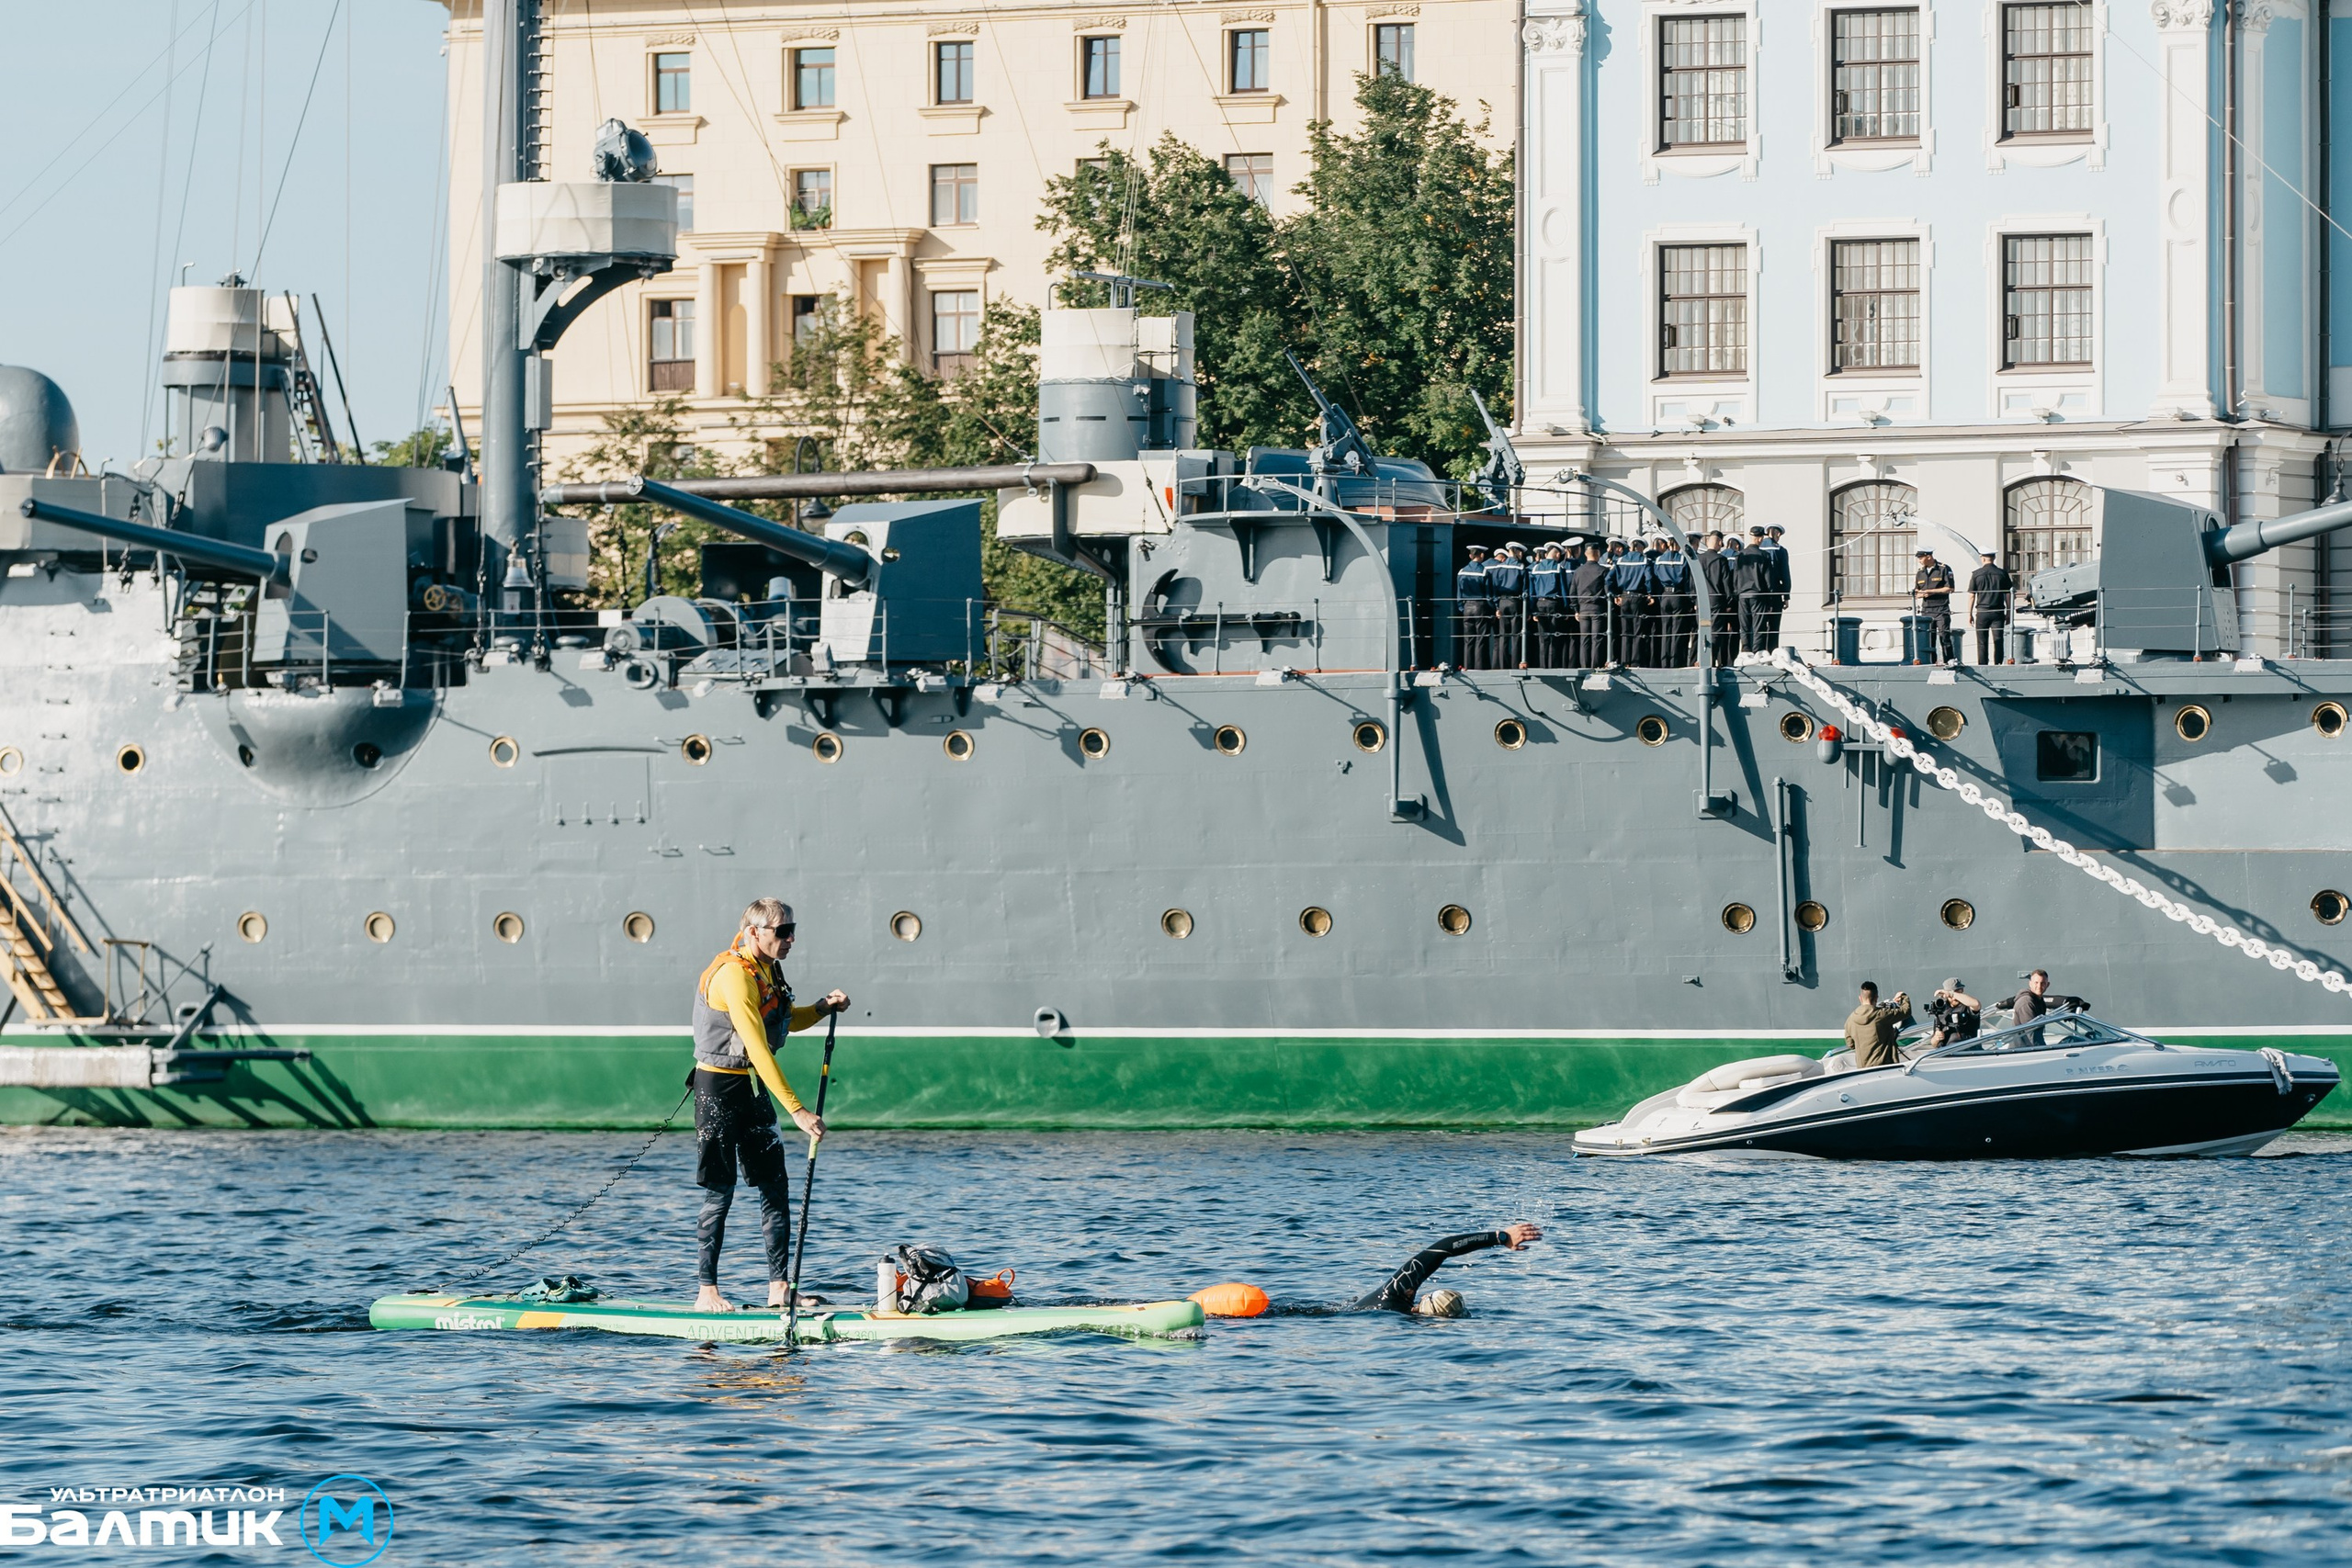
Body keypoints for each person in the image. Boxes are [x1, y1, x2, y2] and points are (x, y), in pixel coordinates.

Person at [690, 897, 850, 1313]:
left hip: (753, 1090)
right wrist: (797, 1111)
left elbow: (783, 1020)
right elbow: (759, 1049)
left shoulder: (767, 970)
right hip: (719, 1091)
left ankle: (780, 1288)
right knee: (720, 1193)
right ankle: (707, 1291)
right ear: (753, 933)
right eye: (782, 931)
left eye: (792, 929)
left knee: (775, 1188)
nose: (791, 938)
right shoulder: (733, 976)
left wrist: (820, 1008)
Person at [1351, 1222, 1543, 1315]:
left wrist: (1500, 1237)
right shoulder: (1409, 1321)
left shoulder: (1392, 1296)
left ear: (1426, 1298)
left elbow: (1439, 1251)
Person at [1844, 980, 1913, 1070]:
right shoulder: (1881, 1015)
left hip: (1862, 1070)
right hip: (1884, 1067)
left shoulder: (1850, 1020)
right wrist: (1903, 996)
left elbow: (1851, 1045)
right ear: (1876, 998)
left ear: (1860, 998)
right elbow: (1906, 1011)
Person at [1607, 536, 1654, 666]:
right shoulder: (1645, 560)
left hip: (1624, 597)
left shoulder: (1620, 560)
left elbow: (1608, 579)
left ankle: (1625, 661)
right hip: (1638, 597)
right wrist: (1650, 593)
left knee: (1625, 631)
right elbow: (1648, 579)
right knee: (1638, 631)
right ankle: (1636, 661)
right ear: (1640, 547)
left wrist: (1615, 594)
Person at [1697, 530, 1740, 668]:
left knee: (1702, 630)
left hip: (1702, 600)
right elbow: (1726, 582)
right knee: (1716, 631)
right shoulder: (1721, 560)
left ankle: (1701, 658)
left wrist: (1694, 600)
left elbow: (1693, 582)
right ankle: (1712, 659)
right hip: (1717, 600)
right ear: (1720, 543)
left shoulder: (1698, 559)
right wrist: (1729, 601)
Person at [1651, 535, 1695, 667]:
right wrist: (1690, 600)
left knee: (1666, 631)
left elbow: (1656, 578)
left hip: (1665, 595)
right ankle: (1675, 662)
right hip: (1678, 595)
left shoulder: (1659, 559)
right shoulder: (1683, 559)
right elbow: (1688, 580)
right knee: (1677, 631)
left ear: (1668, 544)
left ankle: (1665, 662)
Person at [1487, 541, 1530, 668]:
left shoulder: (1499, 567)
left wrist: (1496, 607)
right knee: (1516, 636)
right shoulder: (1521, 567)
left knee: (1503, 636)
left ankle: (1502, 665)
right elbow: (1525, 590)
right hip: (1515, 602)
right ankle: (1515, 664)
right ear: (1519, 552)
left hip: (1502, 602)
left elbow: (1493, 588)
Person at [1734, 528, 1776, 657]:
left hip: (1742, 594)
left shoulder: (1740, 555)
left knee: (1745, 626)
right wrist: (1771, 597)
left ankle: (1746, 650)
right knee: (1759, 626)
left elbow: (1735, 576)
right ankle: (1757, 652)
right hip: (1758, 594)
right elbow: (1769, 579)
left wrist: (1736, 593)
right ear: (1760, 538)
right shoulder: (1765, 556)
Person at [1969, 550, 2015, 665]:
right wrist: (2009, 612)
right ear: (1994, 558)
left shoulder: (1976, 574)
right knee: (1998, 640)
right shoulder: (2002, 574)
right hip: (1998, 611)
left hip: (1982, 611)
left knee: (1981, 642)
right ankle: (1998, 664)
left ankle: (1983, 665)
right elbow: (2008, 595)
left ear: (1982, 558)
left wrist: (1969, 613)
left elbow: (1971, 596)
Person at [1913, 548, 1958, 665]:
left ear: (1929, 556)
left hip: (1941, 609)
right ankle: (1931, 662)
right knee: (1928, 639)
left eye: (1921, 558)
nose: (1919, 561)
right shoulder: (1920, 573)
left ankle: (1949, 661)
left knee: (1944, 636)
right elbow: (1917, 591)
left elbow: (1950, 588)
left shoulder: (1943, 569)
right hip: (1926, 610)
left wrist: (1931, 591)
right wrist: (1920, 594)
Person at [1569, 543, 1611, 667]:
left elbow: (1572, 592)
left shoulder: (1578, 571)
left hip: (1583, 609)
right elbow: (1607, 591)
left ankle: (1585, 666)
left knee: (1585, 639)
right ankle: (1595, 666)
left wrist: (1576, 609)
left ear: (1585, 554)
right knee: (1597, 639)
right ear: (1598, 554)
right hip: (1598, 608)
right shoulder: (1603, 570)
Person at [1454, 545, 1493, 671]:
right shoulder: (1484, 571)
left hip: (1467, 607)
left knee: (1468, 640)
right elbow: (1488, 594)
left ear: (1470, 555)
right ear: (1481, 555)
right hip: (1480, 606)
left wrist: (1461, 607)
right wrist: (1493, 608)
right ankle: (1479, 667)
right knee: (1481, 639)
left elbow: (1459, 593)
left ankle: (1467, 666)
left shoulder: (1462, 571)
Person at [1529, 544, 1568, 668]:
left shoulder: (1535, 568)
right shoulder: (1558, 568)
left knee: (1543, 638)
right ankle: (1553, 666)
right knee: (1554, 637)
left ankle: (1543, 665)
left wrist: (1533, 610)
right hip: (1553, 604)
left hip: (1539, 603)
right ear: (1557, 554)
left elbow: (1532, 592)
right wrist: (1566, 608)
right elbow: (1563, 590)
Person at [1923, 977, 1982, 1049]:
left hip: (1969, 1051)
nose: (1953, 998)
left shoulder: (1967, 1006)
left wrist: (1952, 994)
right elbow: (1934, 1044)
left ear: (1962, 990)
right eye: (1950, 994)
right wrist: (1936, 1038)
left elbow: (1976, 1004)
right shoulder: (1941, 1010)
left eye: (1957, 991)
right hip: (1947, 1052)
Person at [1758, 525, 1792, 650]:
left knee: (1759, 625)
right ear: (1777, 534)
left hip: (1760, 593)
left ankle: (1759, 653)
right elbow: (1785, 575)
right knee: (1774, 627)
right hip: (1776, 592)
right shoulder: (1781, 550)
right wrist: (1786, 596)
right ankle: (1772, 652)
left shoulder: (1758, 548)